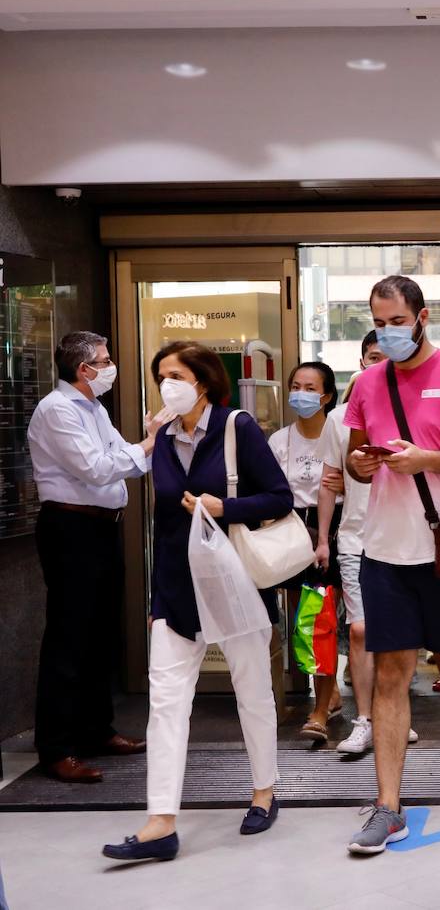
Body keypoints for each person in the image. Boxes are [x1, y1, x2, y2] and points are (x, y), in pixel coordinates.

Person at [103, 342, 291, 862]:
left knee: (251, 691)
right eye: (160, 375)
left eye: (176, 374)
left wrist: (222, 505)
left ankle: (264, 791)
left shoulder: (238, 427)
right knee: (165, 703)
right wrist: (157, 597)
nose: (167, 384)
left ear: (203, 381)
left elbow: (278, 496)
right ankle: (160, 821)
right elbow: (163, 524)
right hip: (177, 591)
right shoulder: (161, 436)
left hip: (233, 584)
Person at [342, 275, 440, 855]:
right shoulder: (365, 382)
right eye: (378, 322)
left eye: (395, 321)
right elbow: (357, 455)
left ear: (421, 317)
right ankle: (388, 807)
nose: (386, 333)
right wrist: (362, 465)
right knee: (390, 673)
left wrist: (427, 460)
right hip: (384, 551)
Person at [27, 331, 153, 784]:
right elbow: (99, 467)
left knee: (100, 635)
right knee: (69, 638)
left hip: (100, 527)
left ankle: (97, 730)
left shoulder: (92, 408)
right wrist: (148, 443)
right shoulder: (57, 409)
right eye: (104, 360)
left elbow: (120, 455)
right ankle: (57, 748)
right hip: (70, 529)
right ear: (84, 370)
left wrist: (136, 450)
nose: (109, 366)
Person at [319, 332, 418, 756]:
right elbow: (328, 482)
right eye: (373, 357)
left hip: (405, 536)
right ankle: (365, 720)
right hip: (356, 536)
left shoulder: (413, 409)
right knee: (359, 631)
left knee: (398, 636)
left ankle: (394, 714)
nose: (380, 364)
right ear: (362, 362)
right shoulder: (339, 419)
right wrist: (323, 537)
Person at [268, 361, 343, 742]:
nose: (302, 393)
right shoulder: (279, 440)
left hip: (336, 530)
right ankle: (327, 696)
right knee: (306, 621)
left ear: (327, 395)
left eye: (310, 387)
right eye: (296, 385)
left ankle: (321, 708)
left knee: (321, 622)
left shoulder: (342, 434)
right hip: (293, 531)